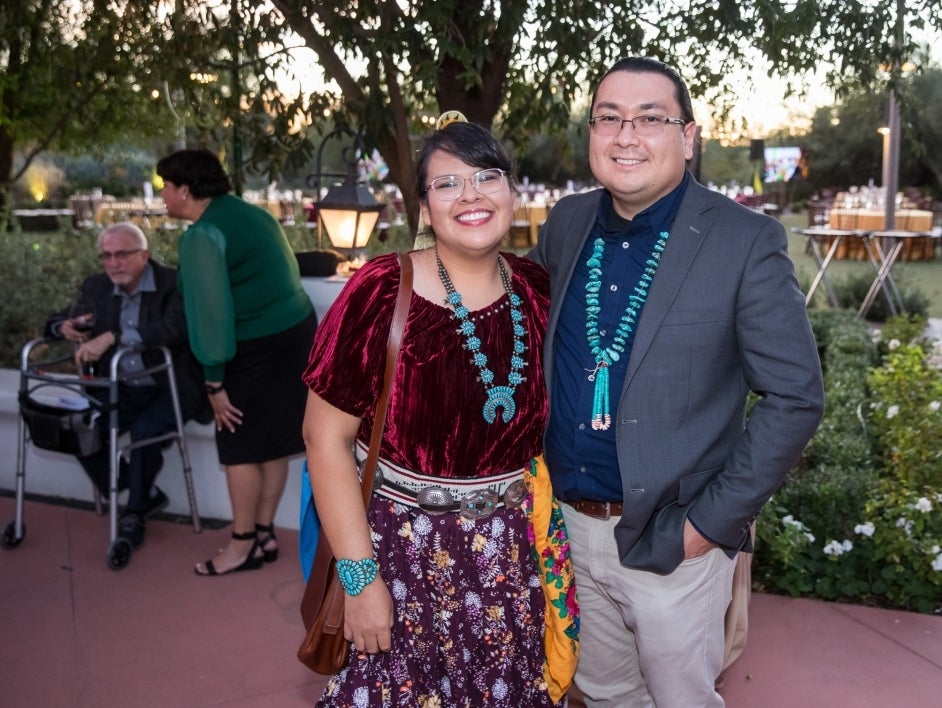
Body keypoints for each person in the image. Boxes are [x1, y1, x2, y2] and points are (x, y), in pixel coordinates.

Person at [529, 57, 825, 707]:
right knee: (604, 695)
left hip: (672, 536)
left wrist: (708, 526)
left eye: (650, 118)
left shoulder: (744, 241)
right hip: (571, 529)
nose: (625, 135)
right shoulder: (566, 224)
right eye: (608, 117)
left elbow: (796, 395)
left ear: (688, 138)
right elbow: (511, 329)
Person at [301, 116, 574, 706]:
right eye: (448, 184)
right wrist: (359, 579)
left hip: (511, 559)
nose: (471, 195)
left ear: (511, 192)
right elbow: (324, 442)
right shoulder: (380, 291)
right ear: (424, 207)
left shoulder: (537, 289)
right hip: (399, 553)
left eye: (486, 177)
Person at [156, 148, 317, 576]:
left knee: (241, 446)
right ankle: (263, 533)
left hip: (256, 347)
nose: (163, 197)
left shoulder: (203, 234)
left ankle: (242, 543)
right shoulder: (249, 214)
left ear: (185, 190)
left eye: (165, 188)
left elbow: (211, 315)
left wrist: (213, 381)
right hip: (294, 335)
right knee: (273, 444)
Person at [44, 222, 209, 549]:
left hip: (170, 386)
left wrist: (115, 338)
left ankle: (133, 515)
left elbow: (175, 328)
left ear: (144, 255)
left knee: (145, 434)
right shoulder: (97, 287)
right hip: (120, 388)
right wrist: (60, 327)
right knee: (77, 426)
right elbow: (63, 318)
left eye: (121, 254)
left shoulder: (170, 283)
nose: (113, 263)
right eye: (106, 256)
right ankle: (143, 492)